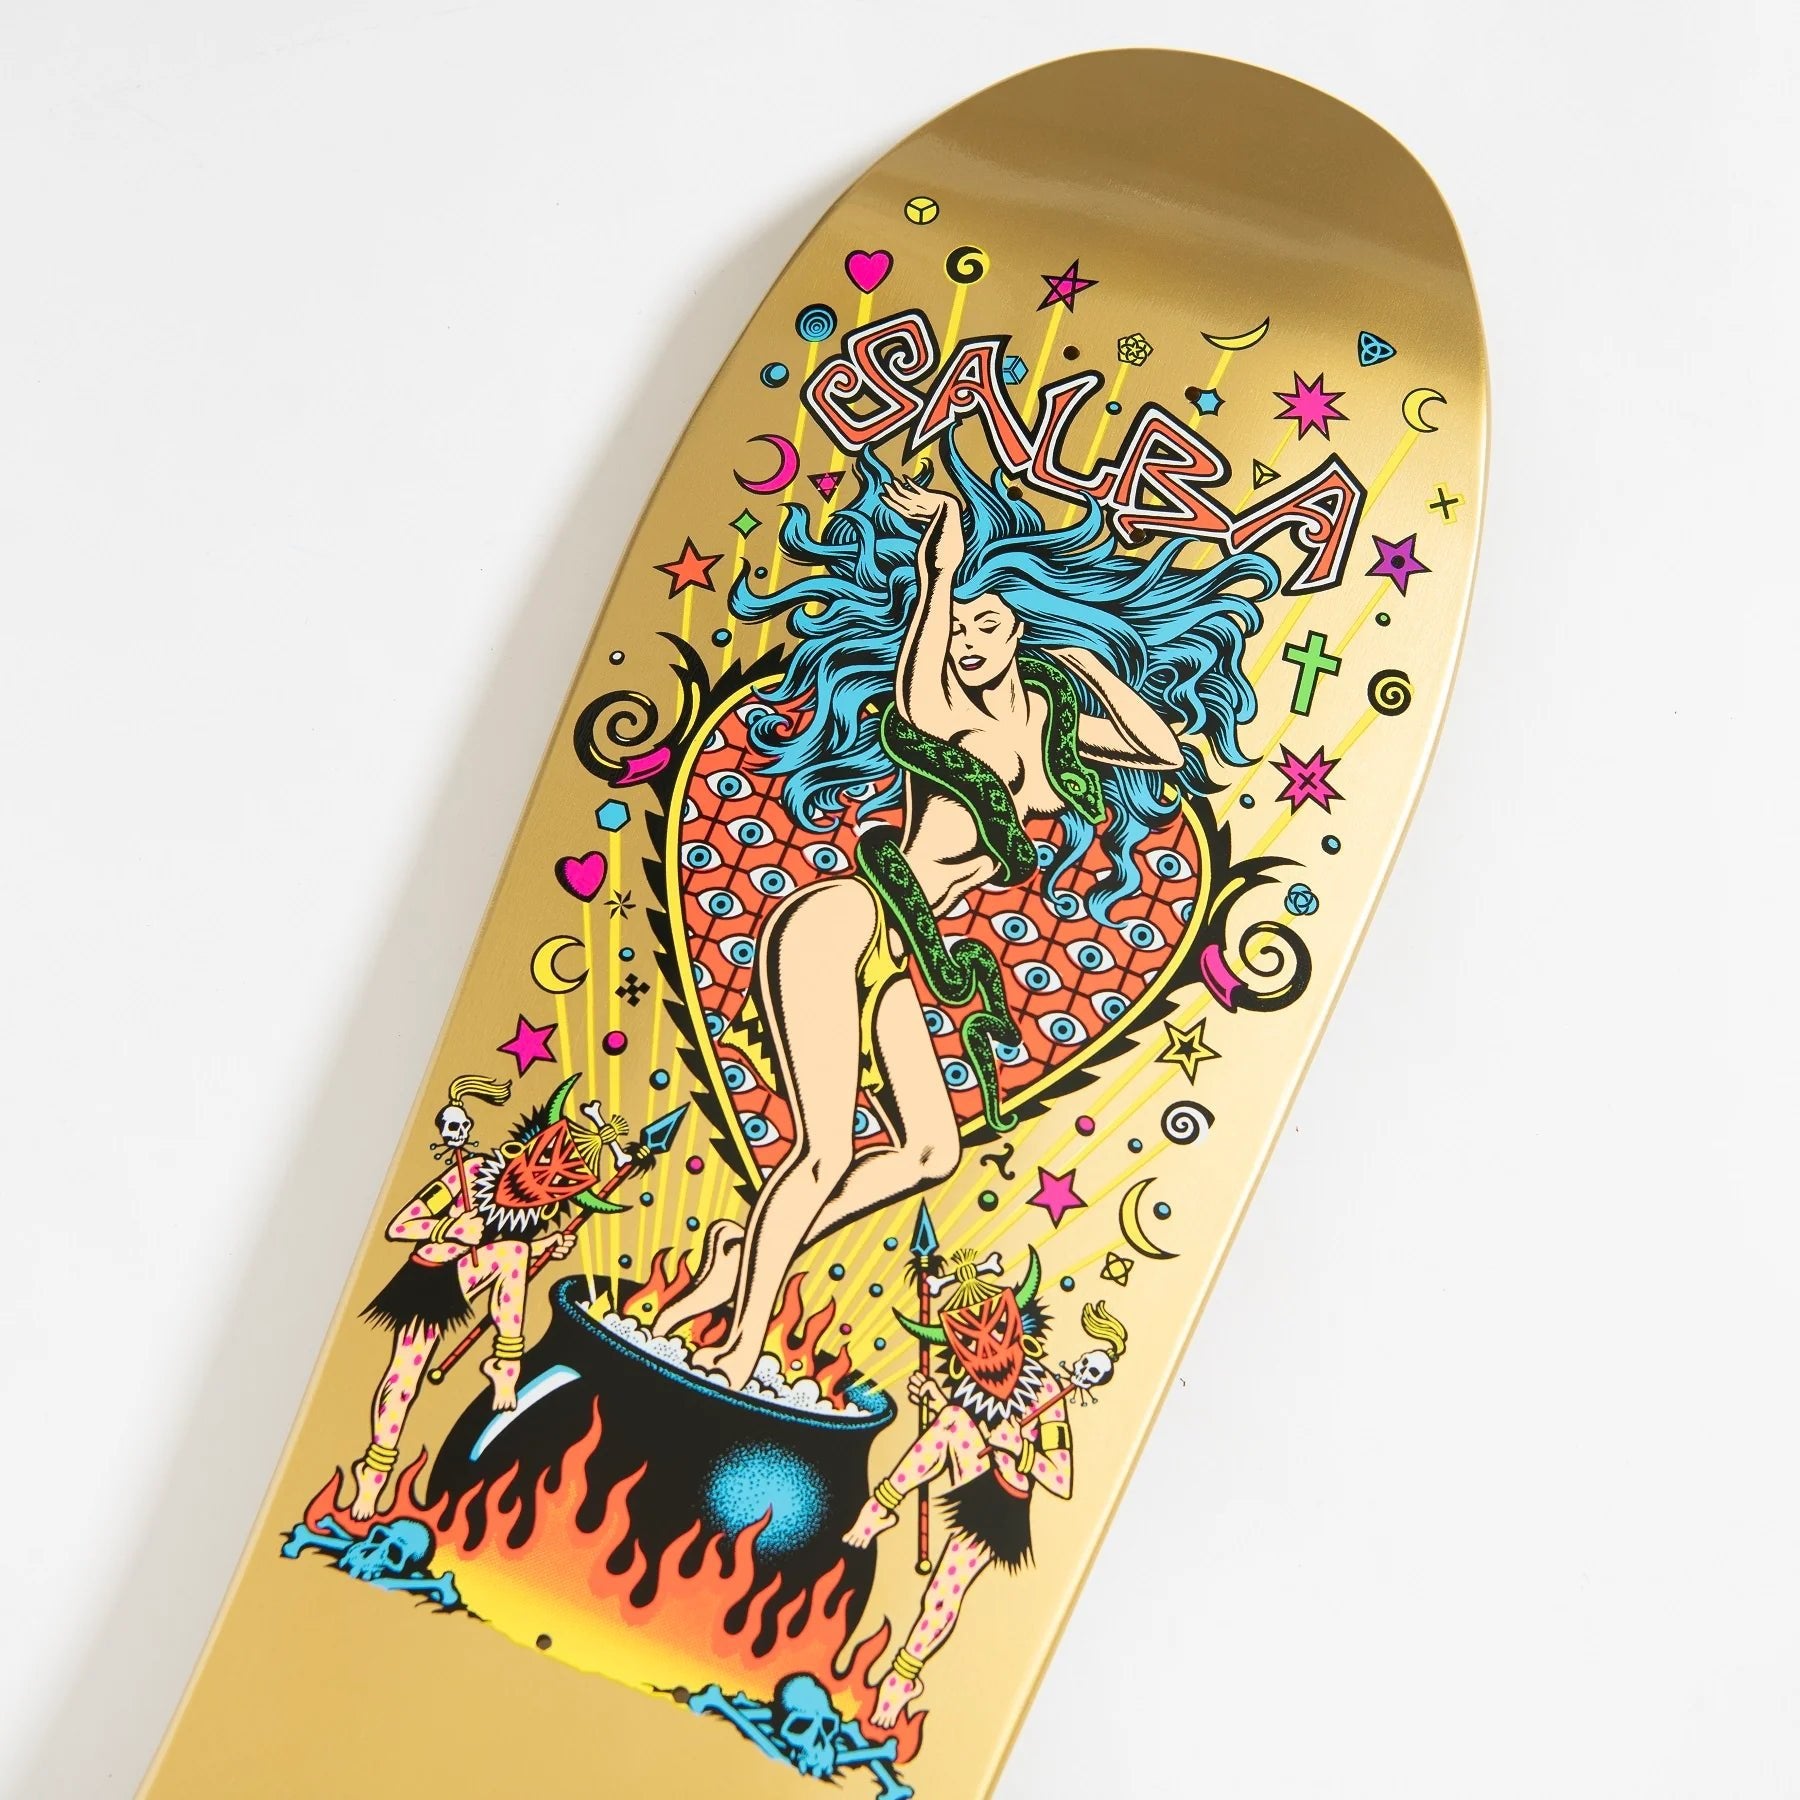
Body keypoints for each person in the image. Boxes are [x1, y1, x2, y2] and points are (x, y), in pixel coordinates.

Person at [658, 443, 1277, 1390]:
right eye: (956, 632)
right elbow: (932, 601)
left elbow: (1158, 751)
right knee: (823, 1151)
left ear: (1019, 628)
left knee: (928, 1150)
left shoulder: (1051, 730)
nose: (966, 642)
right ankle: (742, 1339)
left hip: (903, 950)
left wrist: (1091, 669)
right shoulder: (940, 711)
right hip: (847, 919)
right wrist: (941, 553)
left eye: (986, 625)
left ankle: (742, 1255)